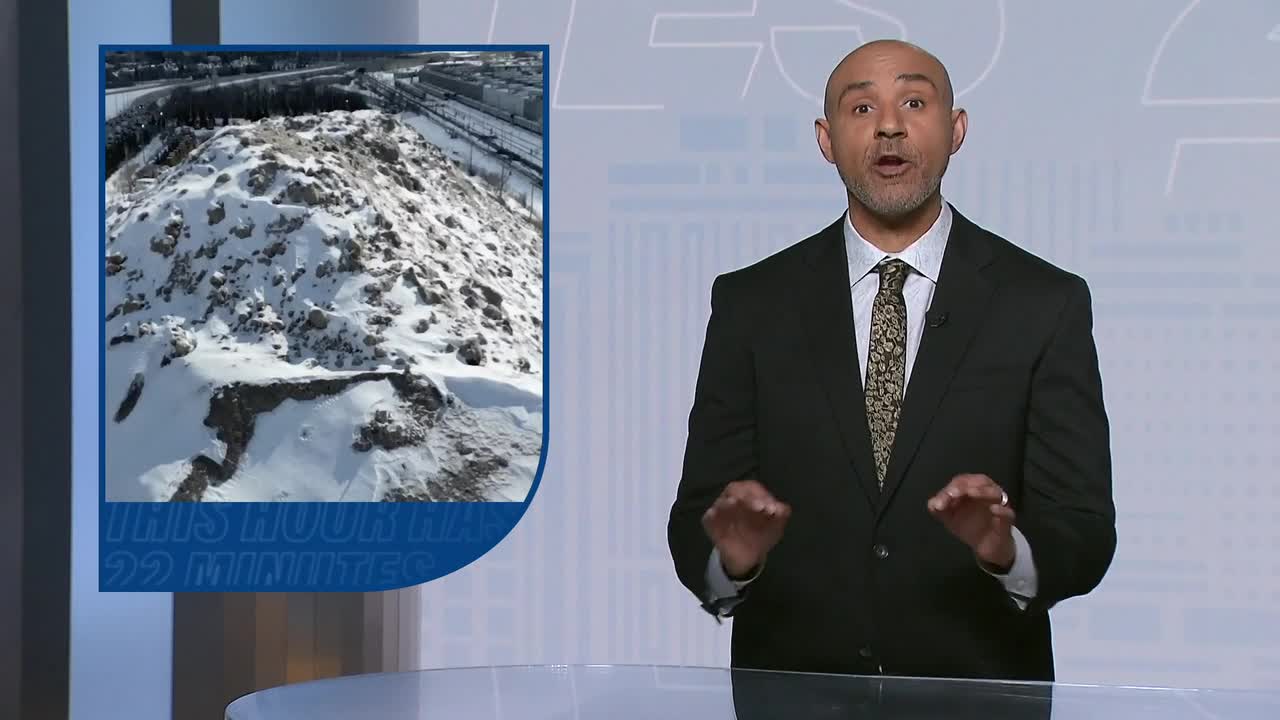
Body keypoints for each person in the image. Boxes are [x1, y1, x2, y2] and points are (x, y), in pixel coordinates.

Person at [666, 39, 1116, 682]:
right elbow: (697, 517)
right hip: (796, 695)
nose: (889, 126)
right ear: (826, 140)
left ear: (956, 130)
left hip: (978, 698)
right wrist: (732, 560)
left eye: (914, 102)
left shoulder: (1044, 304)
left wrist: (1005, 549)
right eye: (861, 108)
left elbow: (1084, 529)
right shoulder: (752, 304)